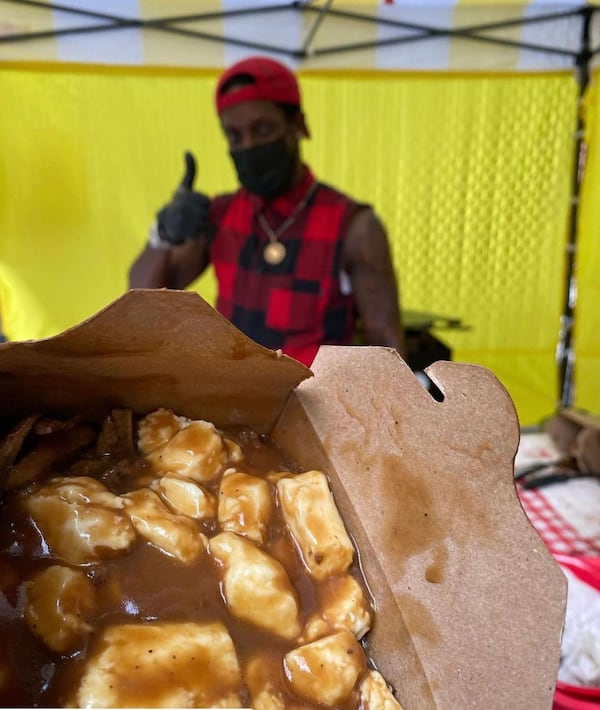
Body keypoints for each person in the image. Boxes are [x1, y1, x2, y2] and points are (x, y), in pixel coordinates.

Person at [129, 55, 406, 367]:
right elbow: (142, 301)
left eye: (262, 130)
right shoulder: (221, 215)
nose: (248, 146)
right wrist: (163, 234)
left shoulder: (354, 226)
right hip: (232, 397)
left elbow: (387, 347)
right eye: (235, 136)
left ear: (297, 125)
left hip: (313, 404)